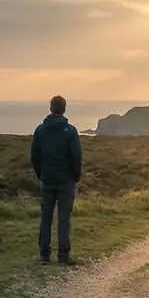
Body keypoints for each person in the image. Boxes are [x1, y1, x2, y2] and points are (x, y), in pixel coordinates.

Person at [31, 95, 83, 264]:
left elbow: (35, 156)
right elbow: (76, 157)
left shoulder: (40, 130)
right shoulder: (71, 131)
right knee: (64, 219)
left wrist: (41, 174)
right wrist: (76, 176)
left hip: (47, 179)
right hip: (66, 181)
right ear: (64, 109)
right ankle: (63, 256)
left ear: (51, 108)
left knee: (46, 217)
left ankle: (44, 255)